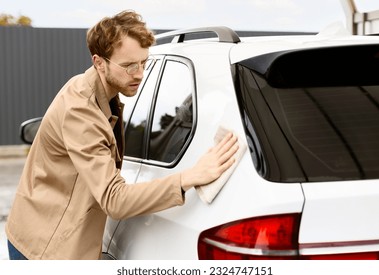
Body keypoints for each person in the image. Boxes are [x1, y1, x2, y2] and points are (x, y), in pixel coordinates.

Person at [5, 10, 238, 260]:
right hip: (45, 249)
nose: (139, 74)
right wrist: (189, 177)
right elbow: (114, 200)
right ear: (99, 62)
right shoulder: (80, 111)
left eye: (143, 63)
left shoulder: (103, 90)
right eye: (129, 66)